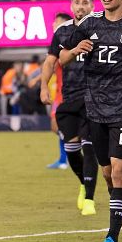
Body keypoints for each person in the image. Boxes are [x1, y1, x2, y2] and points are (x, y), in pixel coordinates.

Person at [61, 0, 122, 242]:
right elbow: (62, 57)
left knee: (120, 173)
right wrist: (75, 50)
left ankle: (111, 238)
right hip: (94, 110)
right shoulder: (88, 23)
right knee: (109, 175)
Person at [40, 0, 99, 215]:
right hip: (70, 97)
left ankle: (90, 199)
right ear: (72, 6)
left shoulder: (100, 28)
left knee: (89, 145)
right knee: (72, 148)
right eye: (77, 3)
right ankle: (84, 183)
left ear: (92, 6)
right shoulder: (62, 32)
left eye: (85, 2)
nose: (81, 6)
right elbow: (51, 61)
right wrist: (44, 85)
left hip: (94, 97)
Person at [43, 13, 71, 170]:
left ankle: (65, 159)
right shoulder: (56, 43)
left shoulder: (68, 43)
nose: (54, 24)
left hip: (68, 92)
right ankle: (63, 159)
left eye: (58, 22)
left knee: (57, 125)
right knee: (56, 127)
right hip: (59, 92)